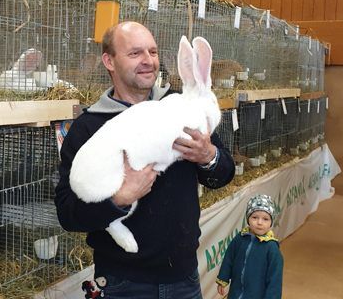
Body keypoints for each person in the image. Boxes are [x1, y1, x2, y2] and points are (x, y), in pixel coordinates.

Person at [55, 21, 235, 299]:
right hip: (122, 282)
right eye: (135, 53)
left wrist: (208, 156)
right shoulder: (88, 127)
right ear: (109, 61)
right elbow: (68, 213)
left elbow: (222, 175)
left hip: (183, 277)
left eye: (152, 52)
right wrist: (119, 200)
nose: (148, 61)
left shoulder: (182, 108)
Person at [216, 194, 283, 299]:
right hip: (236, 293)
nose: (259, 222)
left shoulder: (272, 248)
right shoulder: (240, 238)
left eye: (265, 219)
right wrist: (223, 278)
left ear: (271, 223)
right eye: (255, 217)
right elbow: (229, 258)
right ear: (248, 219)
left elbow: (275, 280)